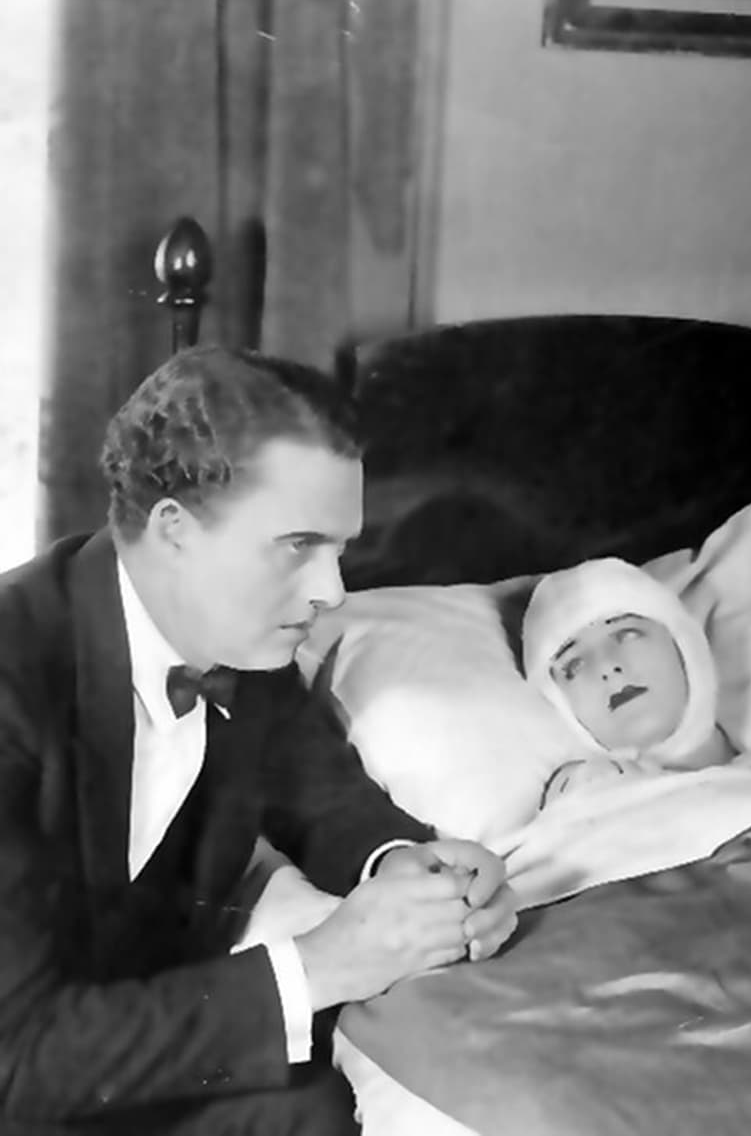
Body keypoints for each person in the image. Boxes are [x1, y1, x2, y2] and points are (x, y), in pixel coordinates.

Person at [0, 345, 517, 1136]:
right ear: (174, 530)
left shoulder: (239, 645)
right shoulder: (13, 676)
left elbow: (321, 794)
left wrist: (411, 866)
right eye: (298, 545)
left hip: (124, 1061)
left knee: (333, 1111)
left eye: (340, 550)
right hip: (29, 1078)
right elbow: (14, 1061)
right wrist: (323, 964)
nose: (332, 591)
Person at [521, 557, 736, 806]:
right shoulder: (582, 802)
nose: (606, 667)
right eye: (574, 665)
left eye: (626, 635)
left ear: (683, 642)